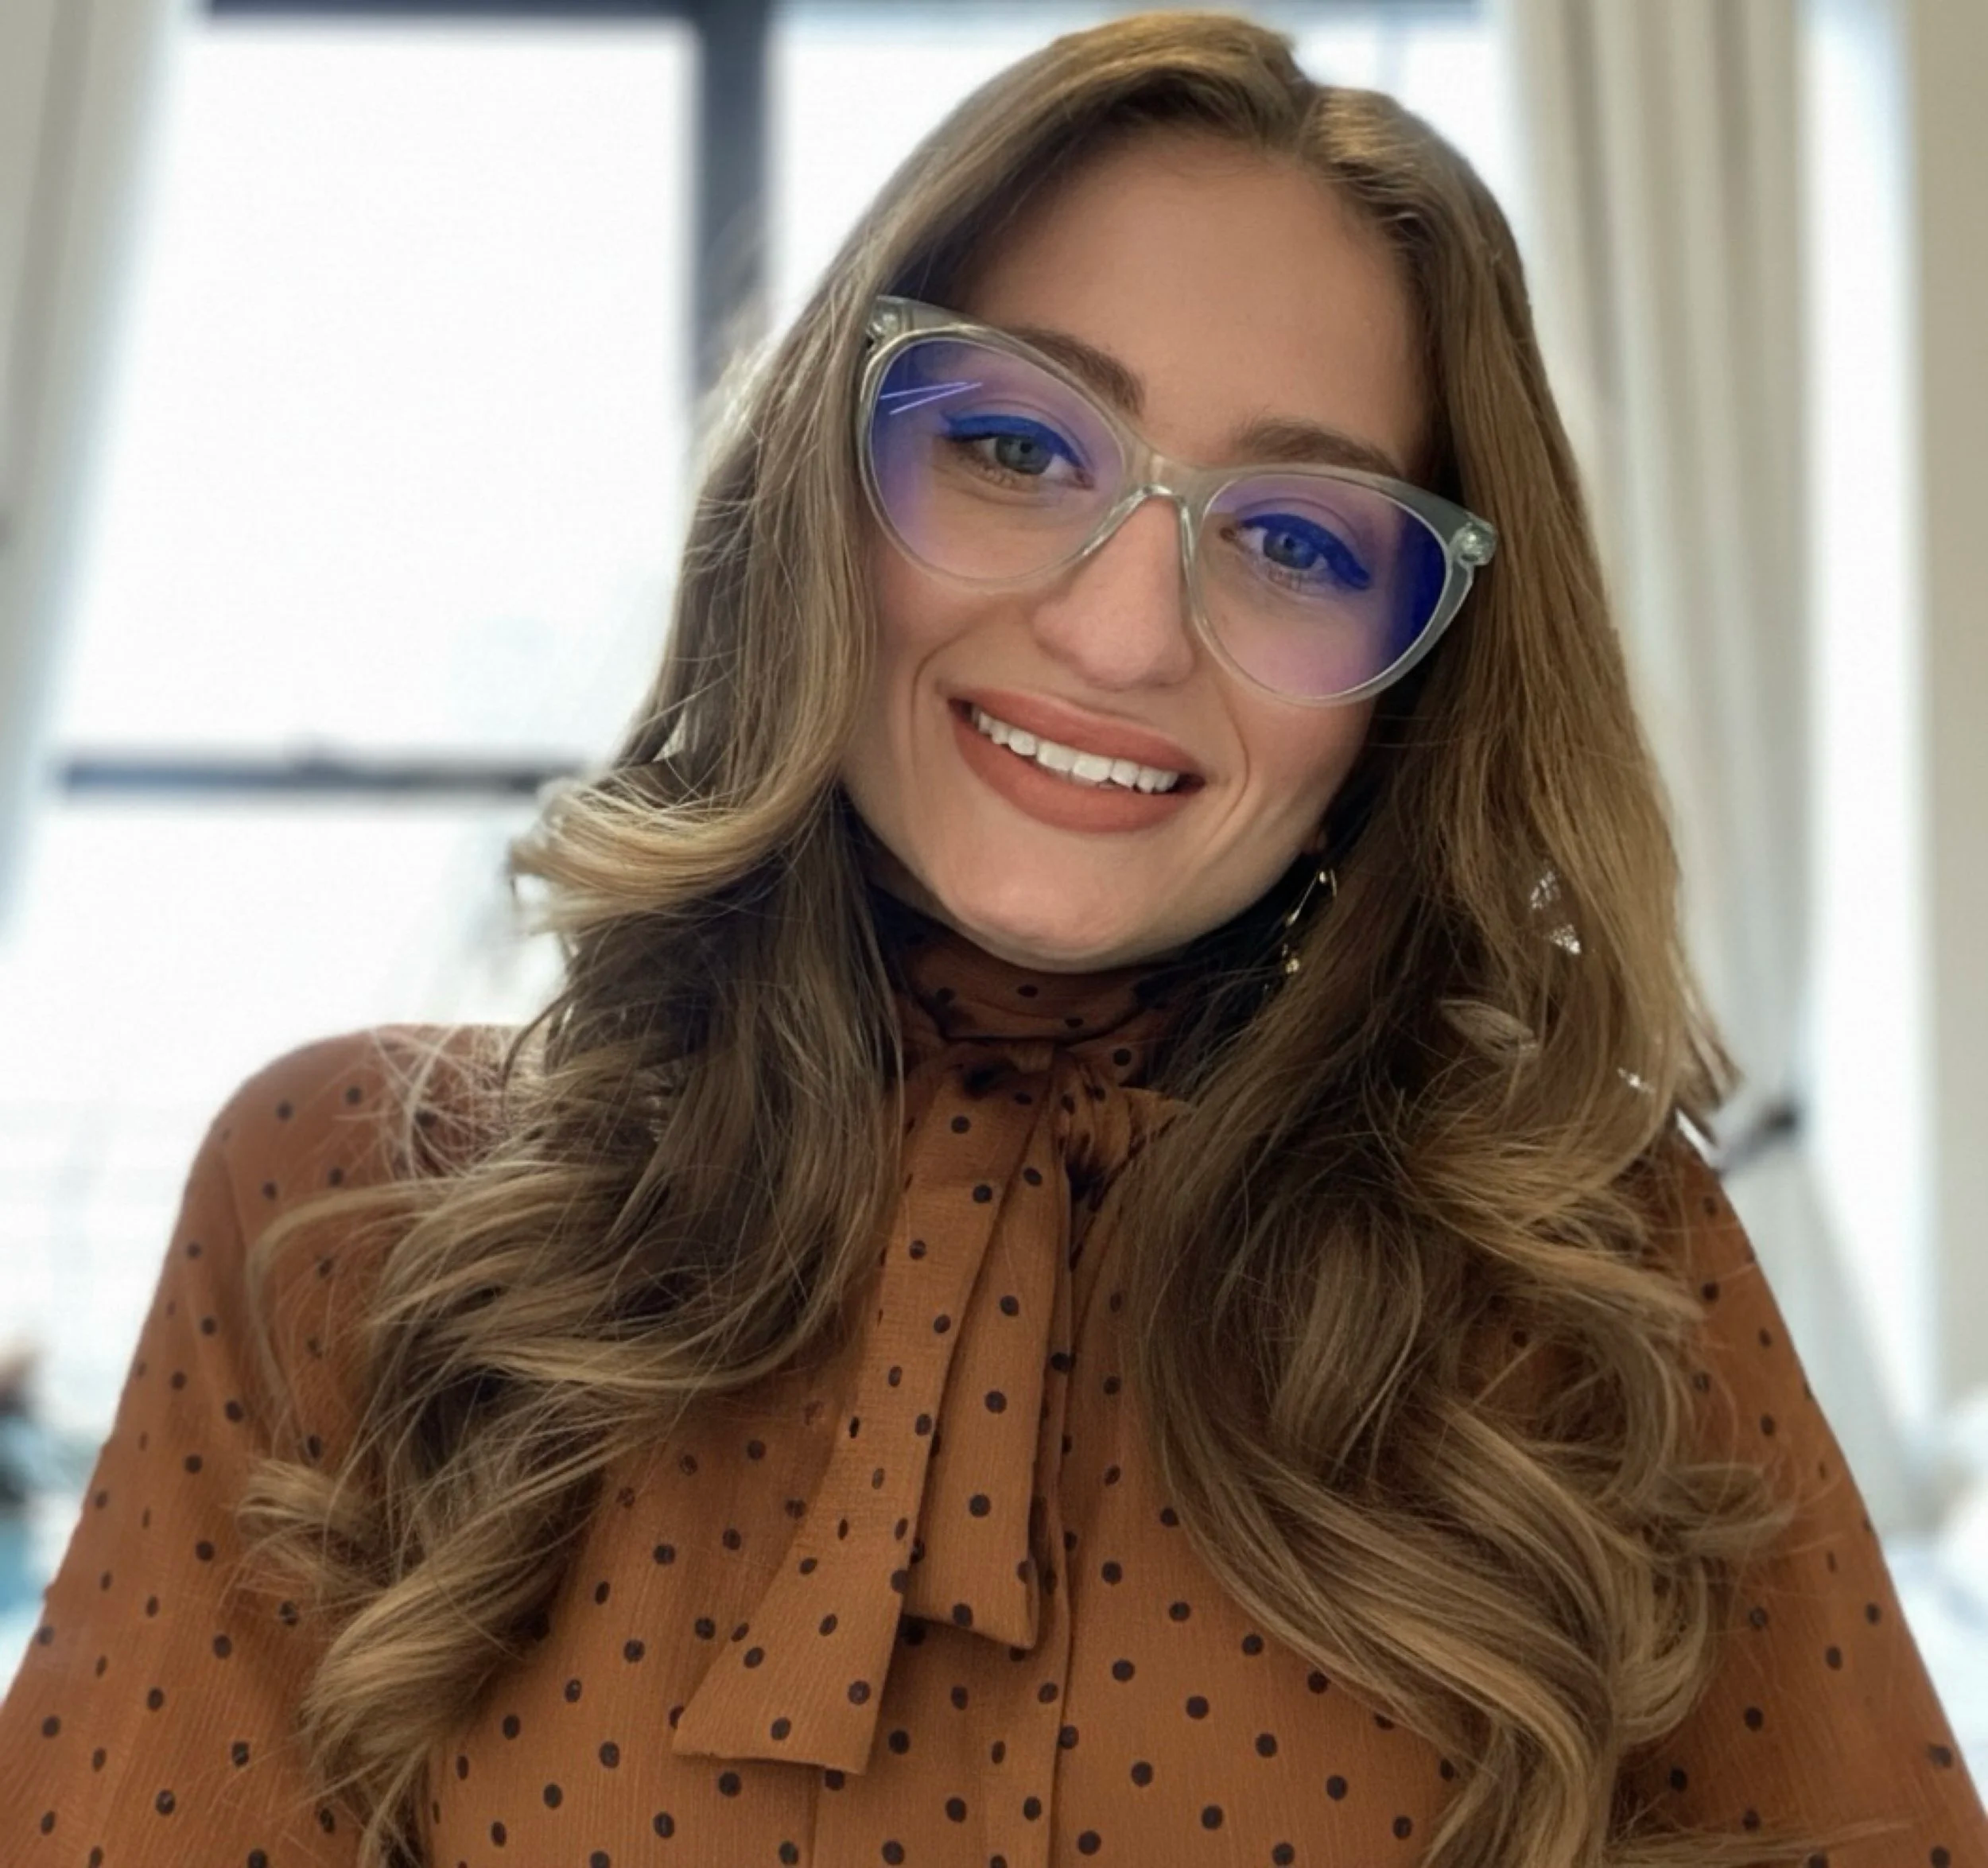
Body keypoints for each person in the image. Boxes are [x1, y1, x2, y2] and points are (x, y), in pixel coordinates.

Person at [2, 12, 1982, 1868]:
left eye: (1295, 540)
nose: (1122, 633)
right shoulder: (343, 1207)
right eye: (1017, 447)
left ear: (1413, 682)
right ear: (820, 482)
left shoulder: (1594, 1275)